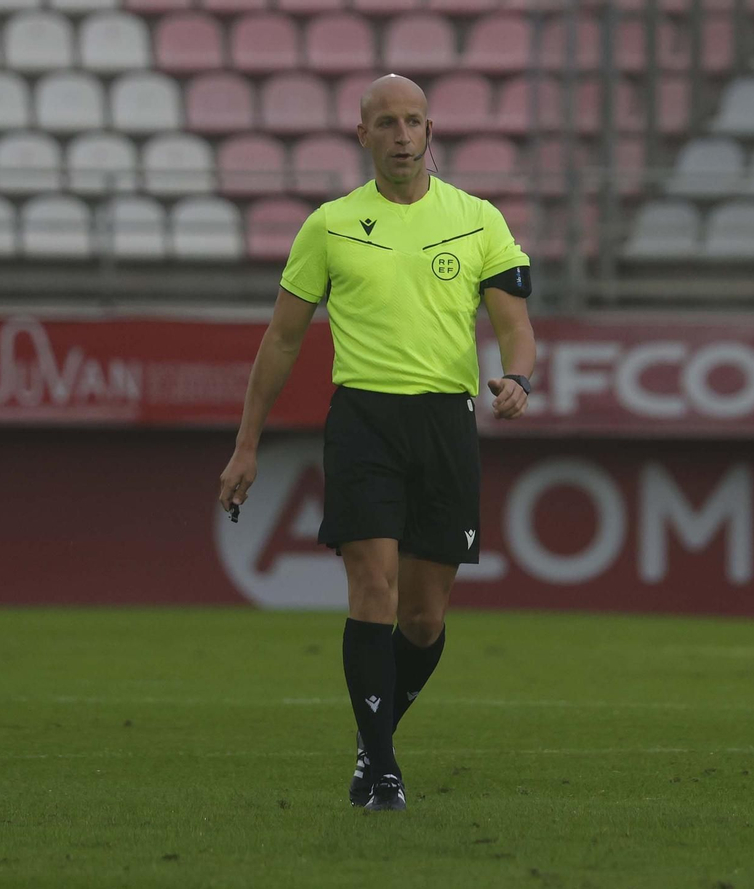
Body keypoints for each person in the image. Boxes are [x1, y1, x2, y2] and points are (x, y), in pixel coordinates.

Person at [217, 74, 537, 812]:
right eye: (386, 123)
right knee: (373, 591)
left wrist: (518, 376)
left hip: (445, 423)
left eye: (413, 122)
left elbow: (516, 325)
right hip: (363, 419)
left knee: (424, 619)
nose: (401, 136)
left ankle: (371, 743)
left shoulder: (478, 218)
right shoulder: (328, 225)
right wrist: (246, 444)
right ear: (362, 135)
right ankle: (385, 773)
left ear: (432, 132)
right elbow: (282, 339)